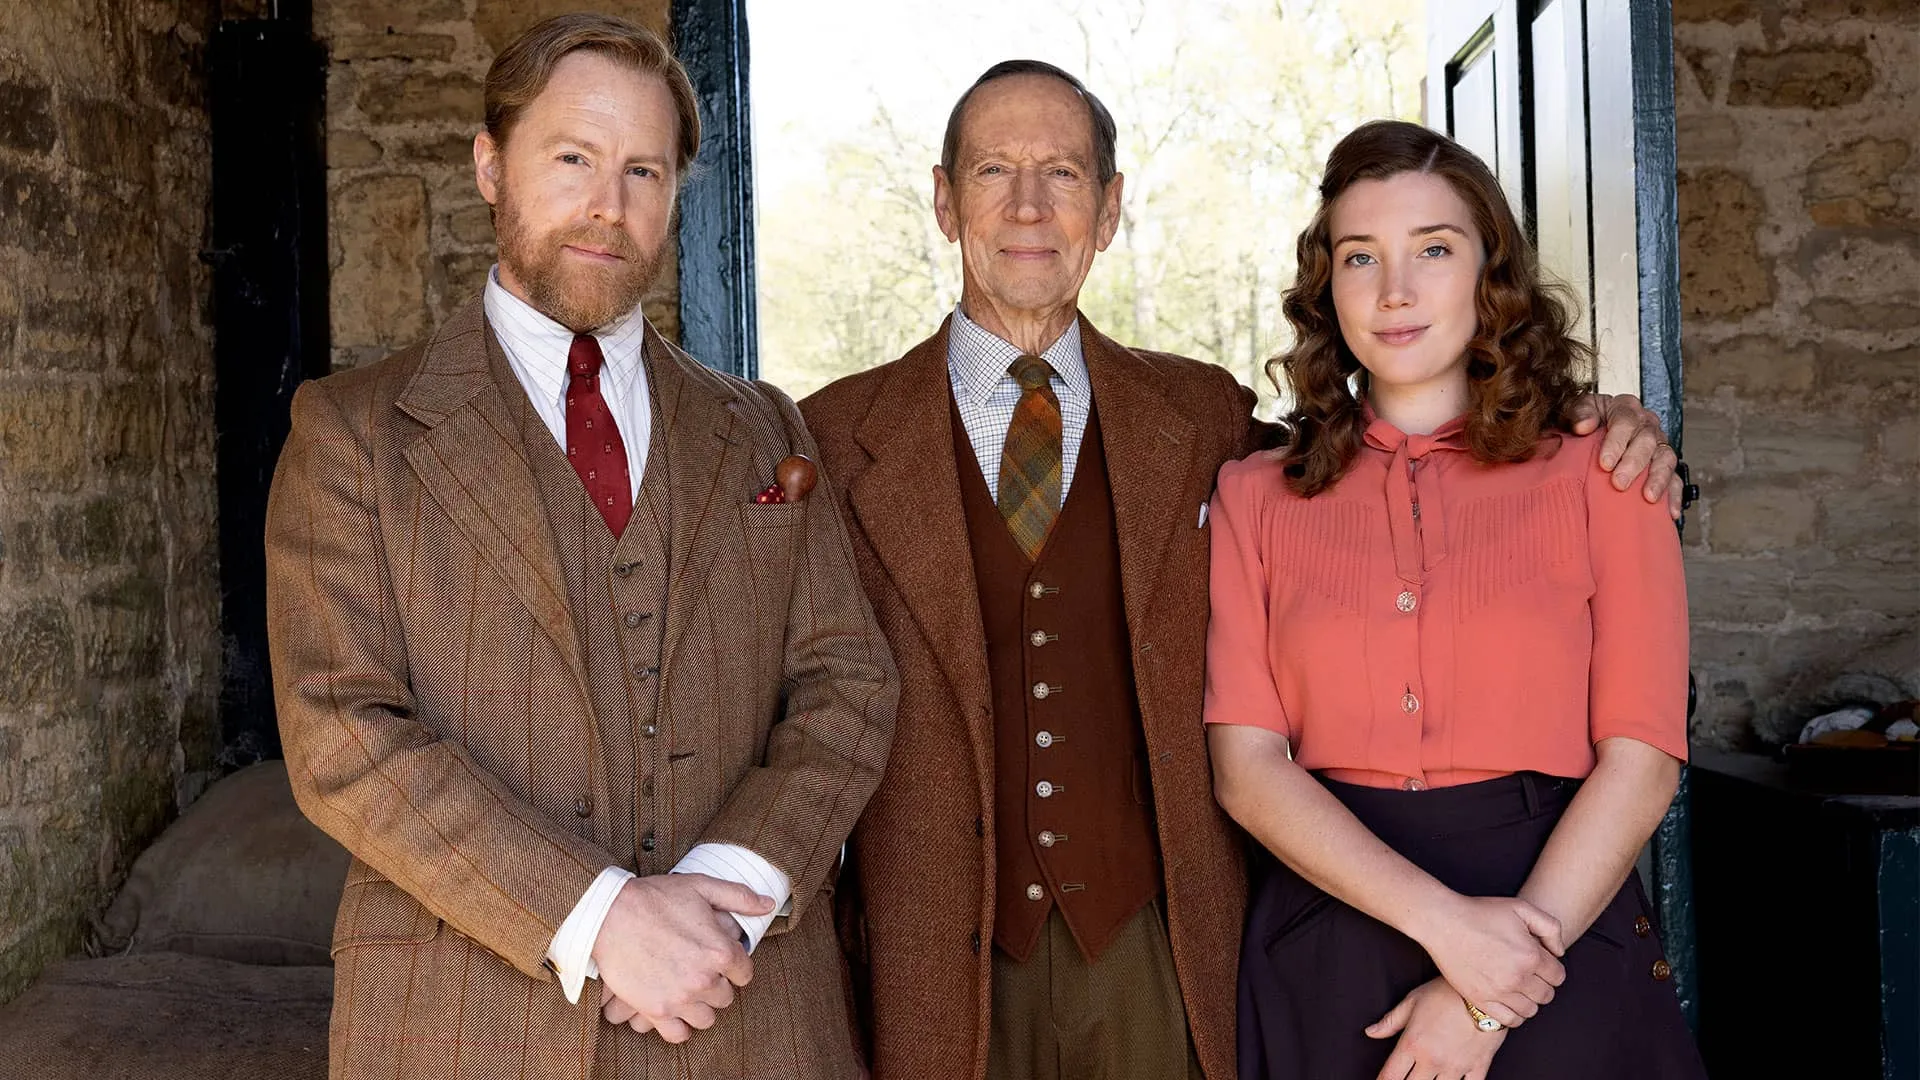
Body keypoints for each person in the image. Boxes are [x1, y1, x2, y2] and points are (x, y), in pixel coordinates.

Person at [800, 62, 1680, 1080]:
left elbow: (1416, 445)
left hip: (1161, 951)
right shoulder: (831, 437)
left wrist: (1614, 421)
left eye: (1065, 174)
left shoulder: (1204, 421)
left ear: (1112, 206)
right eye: (994, 170)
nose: (1030, 205)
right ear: (947, 200)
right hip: (932, 954)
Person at [265, 14, 897, 1079]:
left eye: (644, 170)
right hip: (463, 1027)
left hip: (748, 1016)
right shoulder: (354, 432)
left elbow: (850, 684)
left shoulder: (765, 427)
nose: (610, 203)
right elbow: (341, 733)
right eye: (573, 159)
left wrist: (730, 895)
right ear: (489, 167)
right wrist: (600, 918)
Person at [1205, 119, 1708, 1080]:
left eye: (1434, 249)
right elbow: (1247, 770)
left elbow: (1642, 762)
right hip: (1330, 934)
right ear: (1328, 288)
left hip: (1559, 921)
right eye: (1362, 258)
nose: (1395, 291)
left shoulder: (1608, 474)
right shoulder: (1253, 498)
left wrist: (1488, 994)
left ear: (1491, 276)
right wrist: (1455, 938)